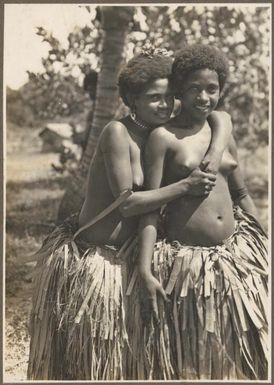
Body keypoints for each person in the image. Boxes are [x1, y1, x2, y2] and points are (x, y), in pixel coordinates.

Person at [27, 48, 233, 380]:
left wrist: (218, 145)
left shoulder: (159, 135)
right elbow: (128, 203)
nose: (164, 105)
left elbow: (221, 116)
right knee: (97, 360)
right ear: (131, 100)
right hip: (99, 260)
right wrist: (186, 186)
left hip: (131, 257)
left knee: (134, 359)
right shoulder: (117, 133)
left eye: (168, 97)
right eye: (154, 98)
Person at [134, 44, 268, 380]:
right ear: (179, 89)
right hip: (188, 264)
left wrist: (265, 244)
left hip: (234, 256)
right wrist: (145, 268)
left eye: (212, 89)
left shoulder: (223, 130)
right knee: (192, 357)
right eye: (194, 88)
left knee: (237, 351)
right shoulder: (163, 138)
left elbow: (241, 193)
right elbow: (150, 207)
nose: (204, 97)